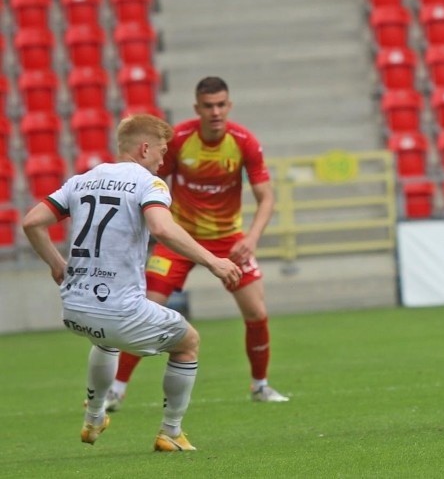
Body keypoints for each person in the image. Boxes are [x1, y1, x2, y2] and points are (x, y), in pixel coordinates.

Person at [22, 114, 243, 451]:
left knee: (106, 342)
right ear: (144, 148)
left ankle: (94, 417)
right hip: (120, 312)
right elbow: (161, 228)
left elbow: (32, 222)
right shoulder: (148, 183)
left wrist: (57, 265)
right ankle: (171, 431)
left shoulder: (81, 180)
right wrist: (213, 261)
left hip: (74, 307)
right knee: (188, 343)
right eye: (161, 151)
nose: (162, 159)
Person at [105, 76, 287, 409]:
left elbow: (267, 198)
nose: (215, 111)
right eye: (208, 106)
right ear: (197, 108)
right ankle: (116, 389)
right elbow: (152, 181)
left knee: (257, 313)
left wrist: (251, 238)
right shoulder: (181, 140)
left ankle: (260, 385)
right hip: (180, 241)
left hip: (229, 242)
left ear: (229, 106)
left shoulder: (245, 142)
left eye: (221, 105)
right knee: (146, 308)